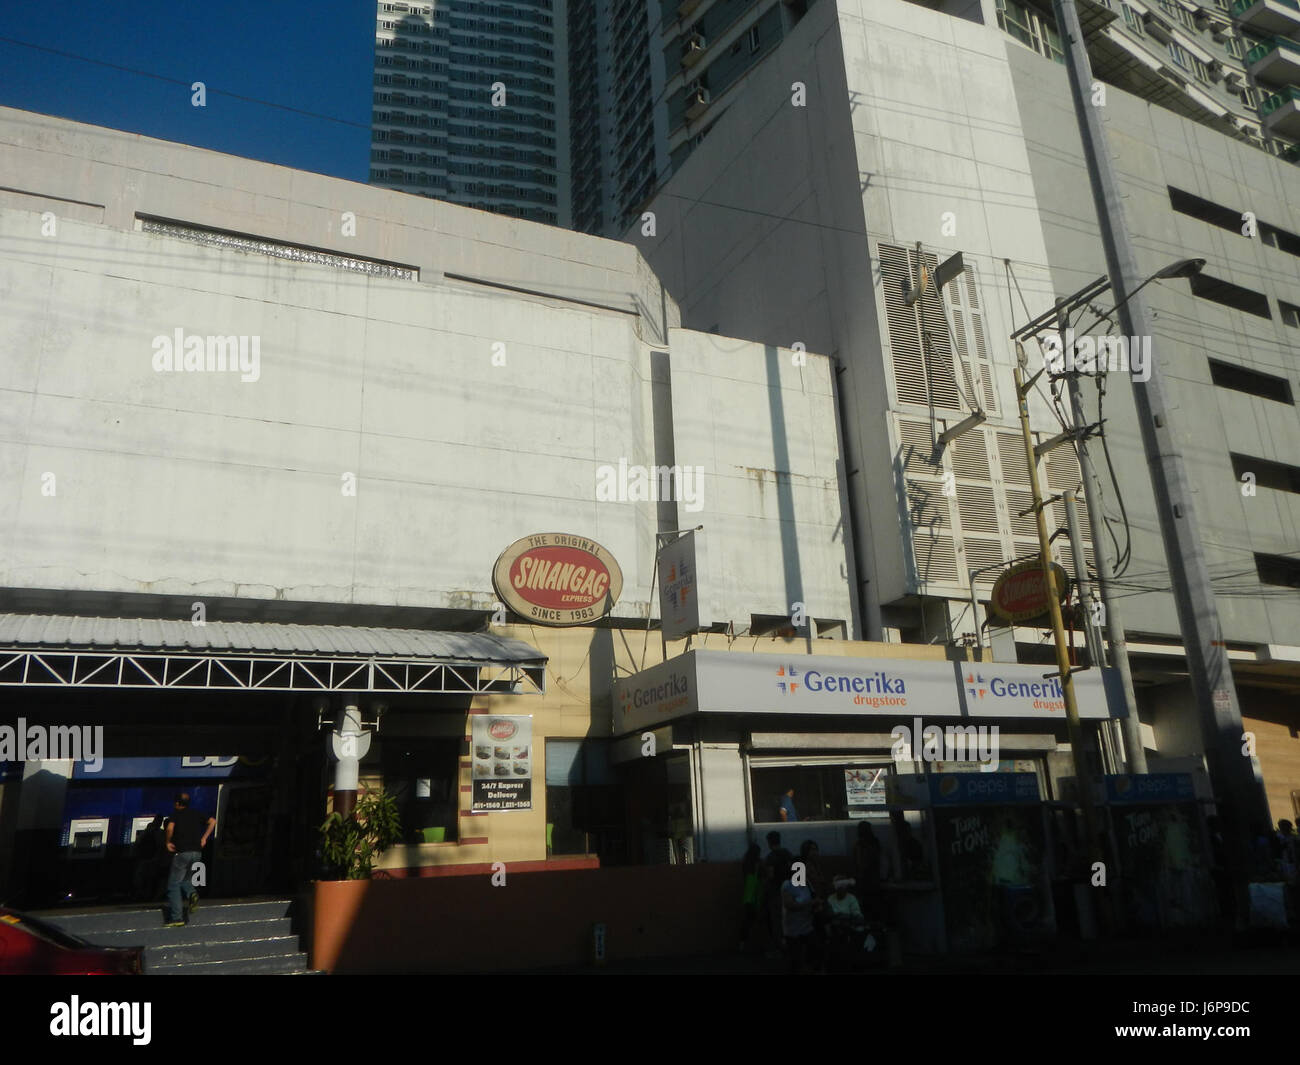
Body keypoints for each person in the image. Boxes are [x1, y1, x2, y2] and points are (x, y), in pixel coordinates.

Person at [164, 793, 215, 928]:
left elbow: (169, 828)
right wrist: (204, 838)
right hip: (197, 853)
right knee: (186, 879)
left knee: (173, 885)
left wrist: (168, 842)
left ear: (177, 803)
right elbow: (213, 821)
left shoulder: (176, 814)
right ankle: (192, 894)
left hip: (182, 853)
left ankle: (177, 918)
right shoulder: (196, 813)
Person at [780, 863, 820, 973]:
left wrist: (816, 905)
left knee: (814, 952)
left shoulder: (807, 884)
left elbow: (815, 898)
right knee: (796, 961)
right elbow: (790, 905)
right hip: (792, 929)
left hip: (807, 926)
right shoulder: (788, 885)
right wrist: (811, 903)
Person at [760, 831, 795, 955]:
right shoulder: (788, 854)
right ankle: (791, 946)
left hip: (775, 892)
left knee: (777, 921)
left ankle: (780, 946)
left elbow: (770, 875)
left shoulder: (770, 857)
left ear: (769, 842)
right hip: (790, 891)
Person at [852, 821, 884, 920]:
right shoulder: (873, 843)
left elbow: (858, 863)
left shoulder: (859, 845)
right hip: (873, 880)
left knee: (867, 909)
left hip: (865, 881)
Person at [740, 843, 762, 952]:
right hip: (756, 894)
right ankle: (754, 944)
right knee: (756, 919)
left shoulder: (746, 863)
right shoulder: (758, 863)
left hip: (747, 895)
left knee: (747, 920)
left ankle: (743, 943)